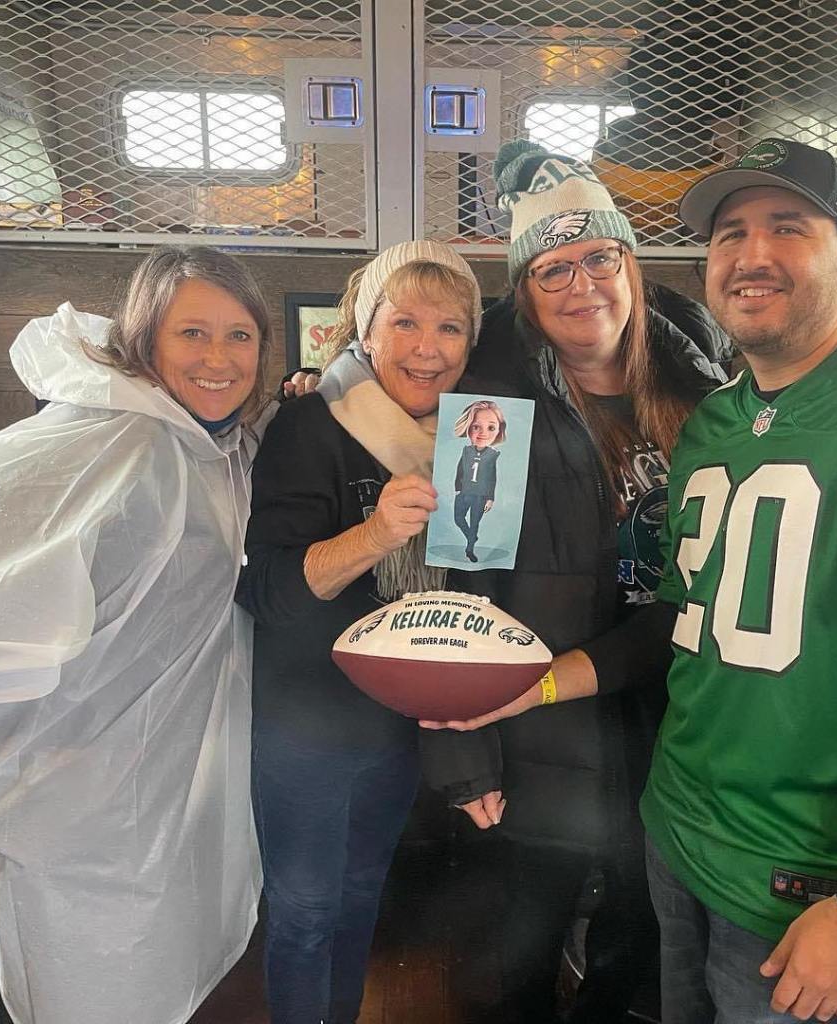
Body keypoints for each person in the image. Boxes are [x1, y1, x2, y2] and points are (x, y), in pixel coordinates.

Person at [439, 138, 837, 1024]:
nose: (752, 254)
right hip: (673, 830)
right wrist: (509, 700)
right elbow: (678, 617)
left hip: (803, 877)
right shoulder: (718, 420)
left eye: (788, 227)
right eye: (729, 234)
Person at [421, 139, 730, 1024]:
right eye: (553, 268)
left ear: (629, 264)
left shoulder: (703, 384)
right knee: (524, 931)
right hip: (540, 713)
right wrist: (459, 749)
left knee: (644, 930)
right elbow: (456, 584)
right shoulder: (492, 401)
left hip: (676, 711)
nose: (581, 284)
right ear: (525, 291)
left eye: (599, 256)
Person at [0, 246, 273, 1024]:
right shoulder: (111, 439)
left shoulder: (211, 443)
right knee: (92, 977)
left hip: (161, 771)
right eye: (193, 334)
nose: (218, 359)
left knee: (150, 963)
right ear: (146, 338)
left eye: (239, 335)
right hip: (81, 787)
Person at [234, 240, 482, 1024]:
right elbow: (267, 589)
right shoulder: (309, 422)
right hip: (304, 721)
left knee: (360, 898)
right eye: (404, 321)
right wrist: (377, 534)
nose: (427, 347)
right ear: (365, 331)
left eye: (451, 327)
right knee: (305, 912)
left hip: (398, 720)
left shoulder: (480, 438)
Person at [453, 399, 506, 562]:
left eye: (491, 428)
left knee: (474, 522)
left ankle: (470, 549)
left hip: (480, 496)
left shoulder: (492, 455)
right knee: (458, 519)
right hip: (465, 492)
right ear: (468, 429)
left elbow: (492, 478)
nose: (483, 433)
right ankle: (472, 537)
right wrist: (457, 487)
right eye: (476, 426)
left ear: (498, 431)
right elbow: (460, 468)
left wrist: (490, 498)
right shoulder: (466, 450)